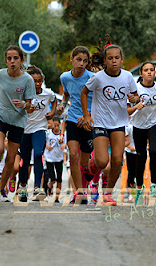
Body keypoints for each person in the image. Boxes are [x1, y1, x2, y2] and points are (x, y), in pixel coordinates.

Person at [81, 44, 139, 206]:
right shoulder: (98, 77)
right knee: (101, 161)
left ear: (121, 60)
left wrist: (134, 99)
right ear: (105, 60)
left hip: (119, 123)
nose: (114, 61)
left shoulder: (127, 76)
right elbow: (84, 92)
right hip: (100, 122)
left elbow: (135, 96)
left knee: (117, 160)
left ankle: (108, 193)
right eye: (110, 58)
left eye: (117, 58)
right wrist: (86, 115)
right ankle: (91, 166)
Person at [0, 45, 35, 202]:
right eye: (9, 58)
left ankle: (1, 189)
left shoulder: (27, 79)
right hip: (1, 115)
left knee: (11, 158)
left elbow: (29, 104)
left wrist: (23, 105)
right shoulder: (0, 74)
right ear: (5, 61)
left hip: (18, 120)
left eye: (16, 58)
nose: (12, 61)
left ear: (21, 60)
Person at [57, 46, 94, 204]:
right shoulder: (65, 77)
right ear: (71, 59)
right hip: (72, 119)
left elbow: (99, 100)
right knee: (72, 155)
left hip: (89, 121)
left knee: (85, 163)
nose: (82, 64)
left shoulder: (92, 77)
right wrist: (63, 105)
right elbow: (66, 93)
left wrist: (88, 115)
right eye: (79, 60)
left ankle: (87, 182)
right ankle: (79, 193)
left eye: (85, 61)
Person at [128, 61, 156, 203]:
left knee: (153, 151)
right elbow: (128, 105)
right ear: (141, 74)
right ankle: (139, 187)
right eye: (146, 70)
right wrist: (135, 104)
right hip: (138, 125)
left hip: (154, 123)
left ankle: (154, 184)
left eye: (152, 70)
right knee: (141, 156)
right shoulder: (136, 88)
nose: (149, 72)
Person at [17, 65, 56, 202]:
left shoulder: (48, 93)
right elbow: (14, 108)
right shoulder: (22, 94)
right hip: (24, 129)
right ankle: (22, 187)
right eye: (34, 81)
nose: (37, 83)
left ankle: (38, 188)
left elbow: (54, 100)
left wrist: (52, 112)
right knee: (25, 159)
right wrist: (25, 108)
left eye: (39, 81)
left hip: (40, 128)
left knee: (39, 153)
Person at [45, 116, 66, 203]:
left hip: (59, 158)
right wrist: (47, 147)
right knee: (52, 179)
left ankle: (57, 198)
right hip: (49, 158)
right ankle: (50, 186)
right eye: (55, 125)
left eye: (58, 126)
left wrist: (64, 145)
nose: (57, 128)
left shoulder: (63, 134)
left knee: (59, 179)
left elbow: (67, 143)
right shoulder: (48, 133)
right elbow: (43, 142)